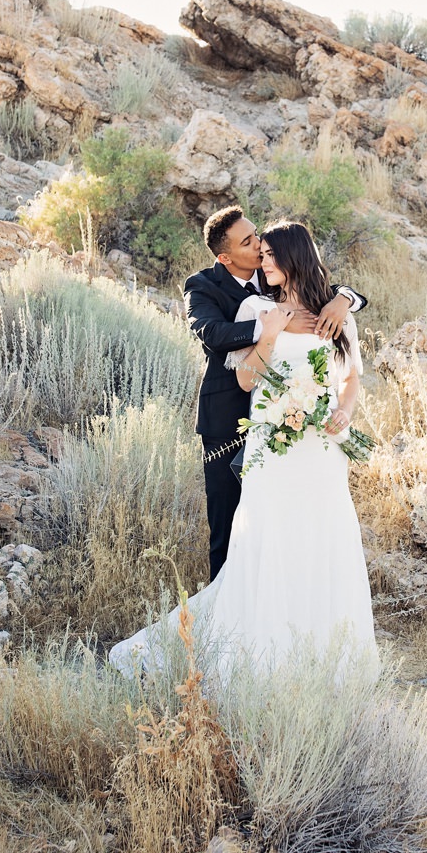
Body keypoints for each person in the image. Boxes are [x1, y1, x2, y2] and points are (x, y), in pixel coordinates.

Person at [112, 220, 377, 682]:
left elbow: (351, 377)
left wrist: (345, 412)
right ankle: (264, 652)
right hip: (269, 446)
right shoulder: (256, 306)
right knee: (267, 536)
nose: (262, 259)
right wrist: (270, 332)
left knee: (323, 534)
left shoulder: (337, 312)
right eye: (257, 250)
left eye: (271, 253)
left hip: (321, 449)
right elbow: (245, 380)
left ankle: (324, 654)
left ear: (292, 257)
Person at [183, 206, 365, 581]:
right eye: (250, 244)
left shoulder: (321, 304)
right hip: (229, 420)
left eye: (262, 243)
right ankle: (229, 606)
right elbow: (214, 335)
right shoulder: (206, 288)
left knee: (308, 522)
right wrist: (273, 328)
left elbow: (348, 372)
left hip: (310, 433)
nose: (259, 248)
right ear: (225, 256)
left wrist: (345, 298)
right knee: (232, 523)